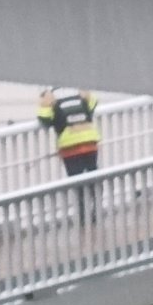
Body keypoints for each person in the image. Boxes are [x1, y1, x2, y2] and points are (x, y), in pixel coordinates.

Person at [38, 87, 101, 223]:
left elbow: (45, 120)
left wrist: (44, 103)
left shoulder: (51, 97)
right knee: (93, 176)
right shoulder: (79, 91)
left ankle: (83, 214)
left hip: (71, 146)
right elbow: (93, 103)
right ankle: (96, 209)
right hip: (90, 141)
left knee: (76, 181)